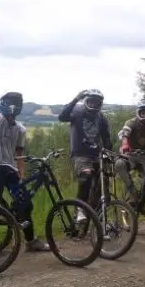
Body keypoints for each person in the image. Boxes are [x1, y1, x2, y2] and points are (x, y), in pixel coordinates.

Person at [0, 91, 50, 266]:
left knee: (25, 202)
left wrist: (22, 173)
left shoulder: (20, 129)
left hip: (10, 169)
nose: (12, 107)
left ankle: (30, 241)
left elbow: (19, 153)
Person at [58, 89, 113, 222]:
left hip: (96, 154)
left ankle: (96, 211)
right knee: (86, 175)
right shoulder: (77, 112)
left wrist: (108, 152)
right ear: (86, 102)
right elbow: (62, 117)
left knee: (104, 180)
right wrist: (76, 99)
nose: (94, 105)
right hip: (80, 154)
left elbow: (106, 137)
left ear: (100, 104)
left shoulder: (101, 117)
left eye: (96, 103)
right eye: (91, 102)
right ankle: (80, 209)